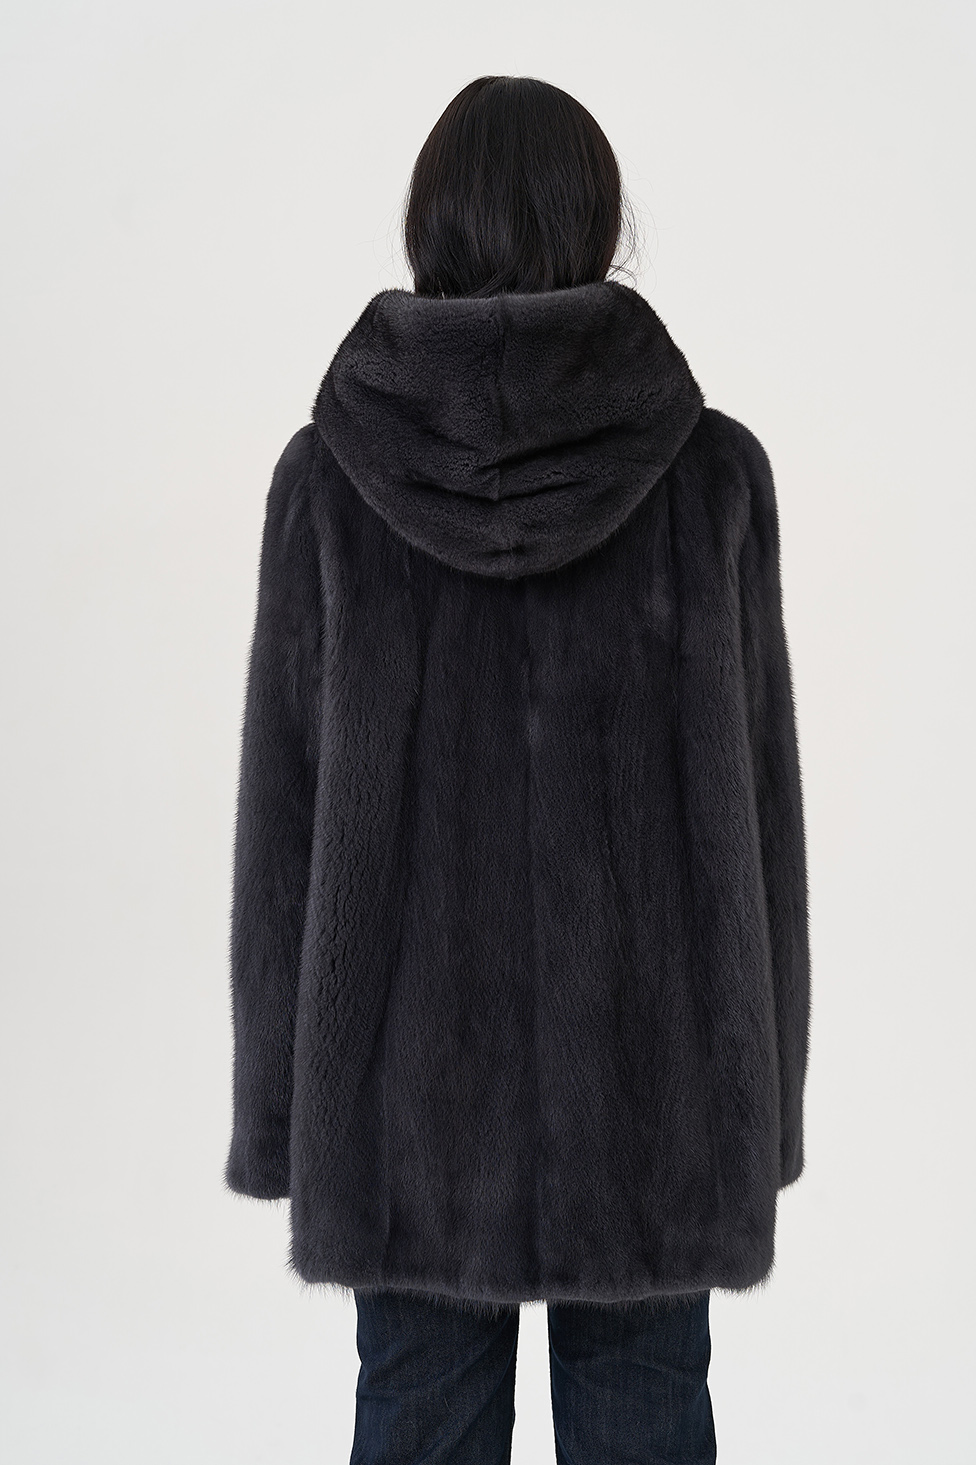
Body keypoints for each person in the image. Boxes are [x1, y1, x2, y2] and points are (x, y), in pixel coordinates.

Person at [223, 74, 811, 1465]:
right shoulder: (709, 478)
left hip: (403, 1106)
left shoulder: (331, 480)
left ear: (430, 223)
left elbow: (283, 823)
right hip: (657, 1098)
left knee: (417, 1425)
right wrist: (762, 1107)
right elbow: (762, 820)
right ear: (600, 223)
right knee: (649, 1425)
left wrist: (280, 1115)